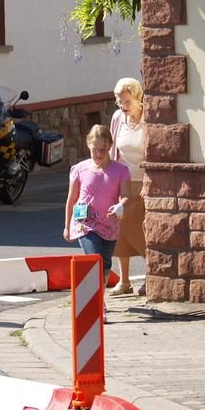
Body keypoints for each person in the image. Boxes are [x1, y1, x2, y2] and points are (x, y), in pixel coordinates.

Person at [63, 125, 131, 322]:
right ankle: (96, 306)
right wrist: (67, 225)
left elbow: (127, 196)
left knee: (105, 265)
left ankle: (99, 299)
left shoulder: (121, 170)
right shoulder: (79, 169)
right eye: (95, 149)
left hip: (109, 225)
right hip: (85, 223)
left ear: (110, 146)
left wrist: (120, 206)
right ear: (88, 145)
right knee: (94, 260)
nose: (98, 154)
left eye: (103, 149)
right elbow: (71, 199)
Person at [108, 77, 148, 297]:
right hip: (122, 181)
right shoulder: (118, 118)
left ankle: (152, 275)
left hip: (143, 182)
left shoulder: (148, 119)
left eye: (126, 101)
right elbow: (114, 150)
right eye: (118, 101)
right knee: (120, 231)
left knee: (141, 231)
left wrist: (150, 180)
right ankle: (124, 281)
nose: (122, 106)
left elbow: (154, 151)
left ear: (138, 97)